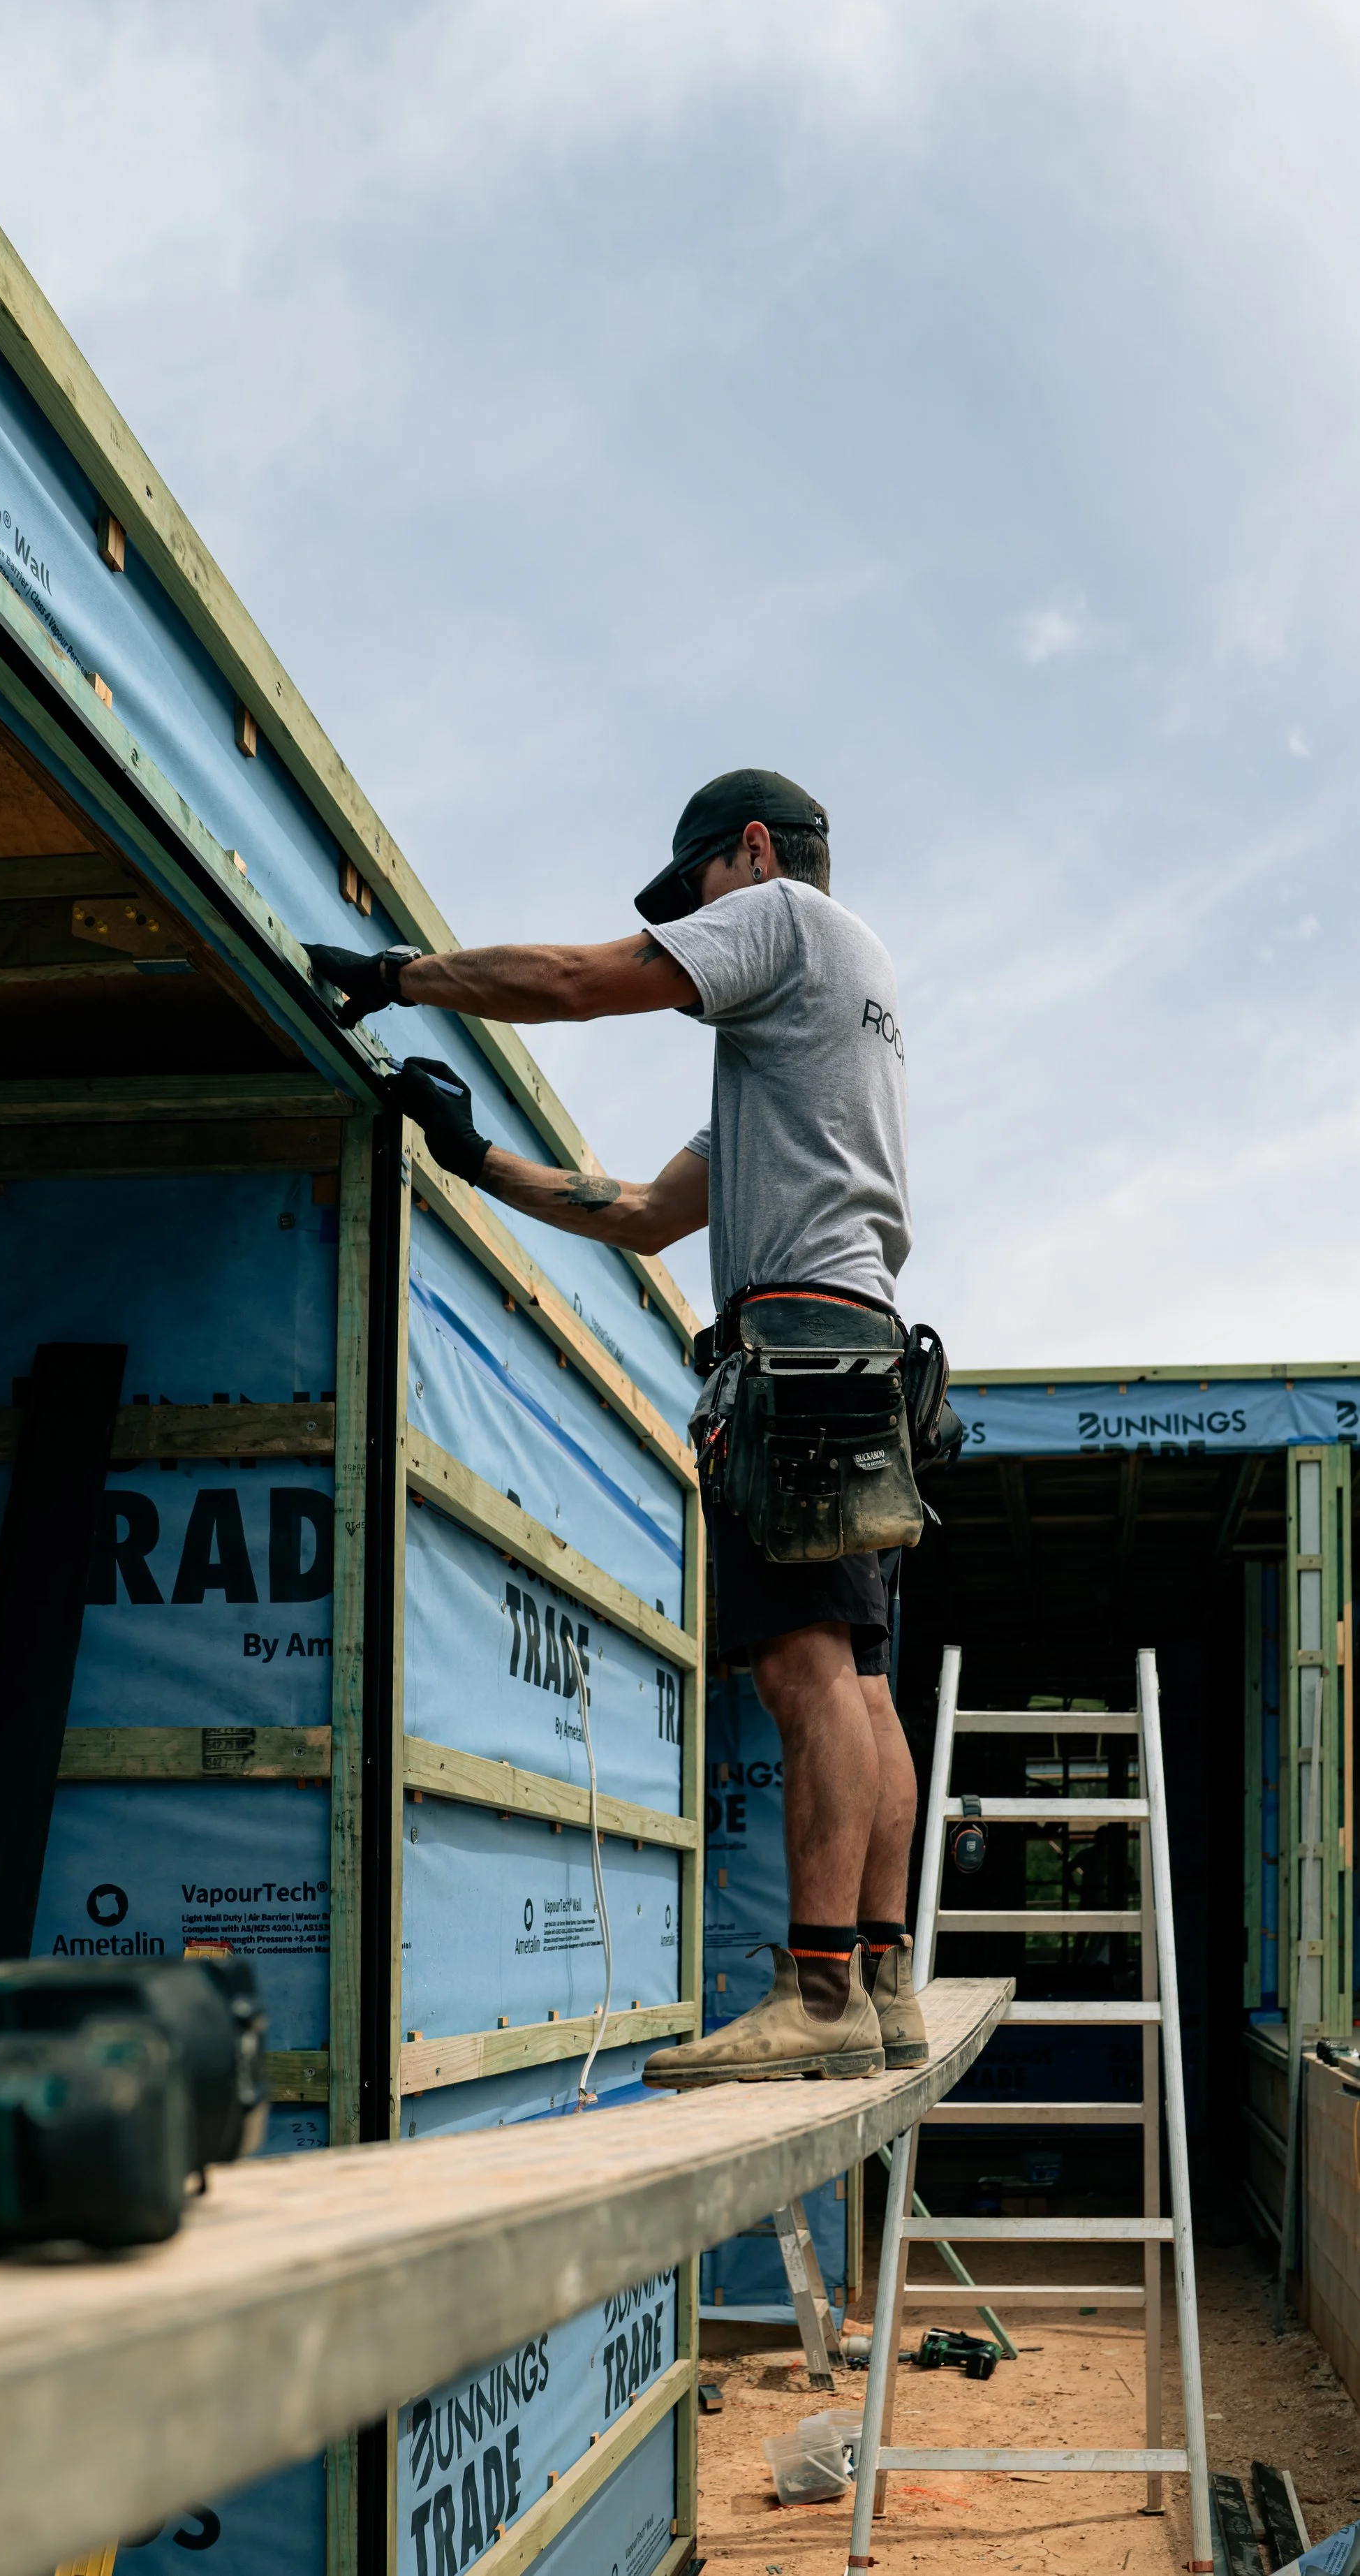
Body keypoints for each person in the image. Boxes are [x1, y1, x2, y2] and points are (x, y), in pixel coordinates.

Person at [306, 766, 926, 2084]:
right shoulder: (806, 1044)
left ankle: (815, 1998)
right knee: (862, 1678)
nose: (691, 925)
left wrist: (400, 974)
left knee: (802, 1668)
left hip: (798, 1354)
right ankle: (879, 1981)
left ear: (753, 851)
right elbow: (643, 1214)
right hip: (856, 1354)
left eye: (694, 890)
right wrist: (477, 1160)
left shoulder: (789, 924)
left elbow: (585, 980)